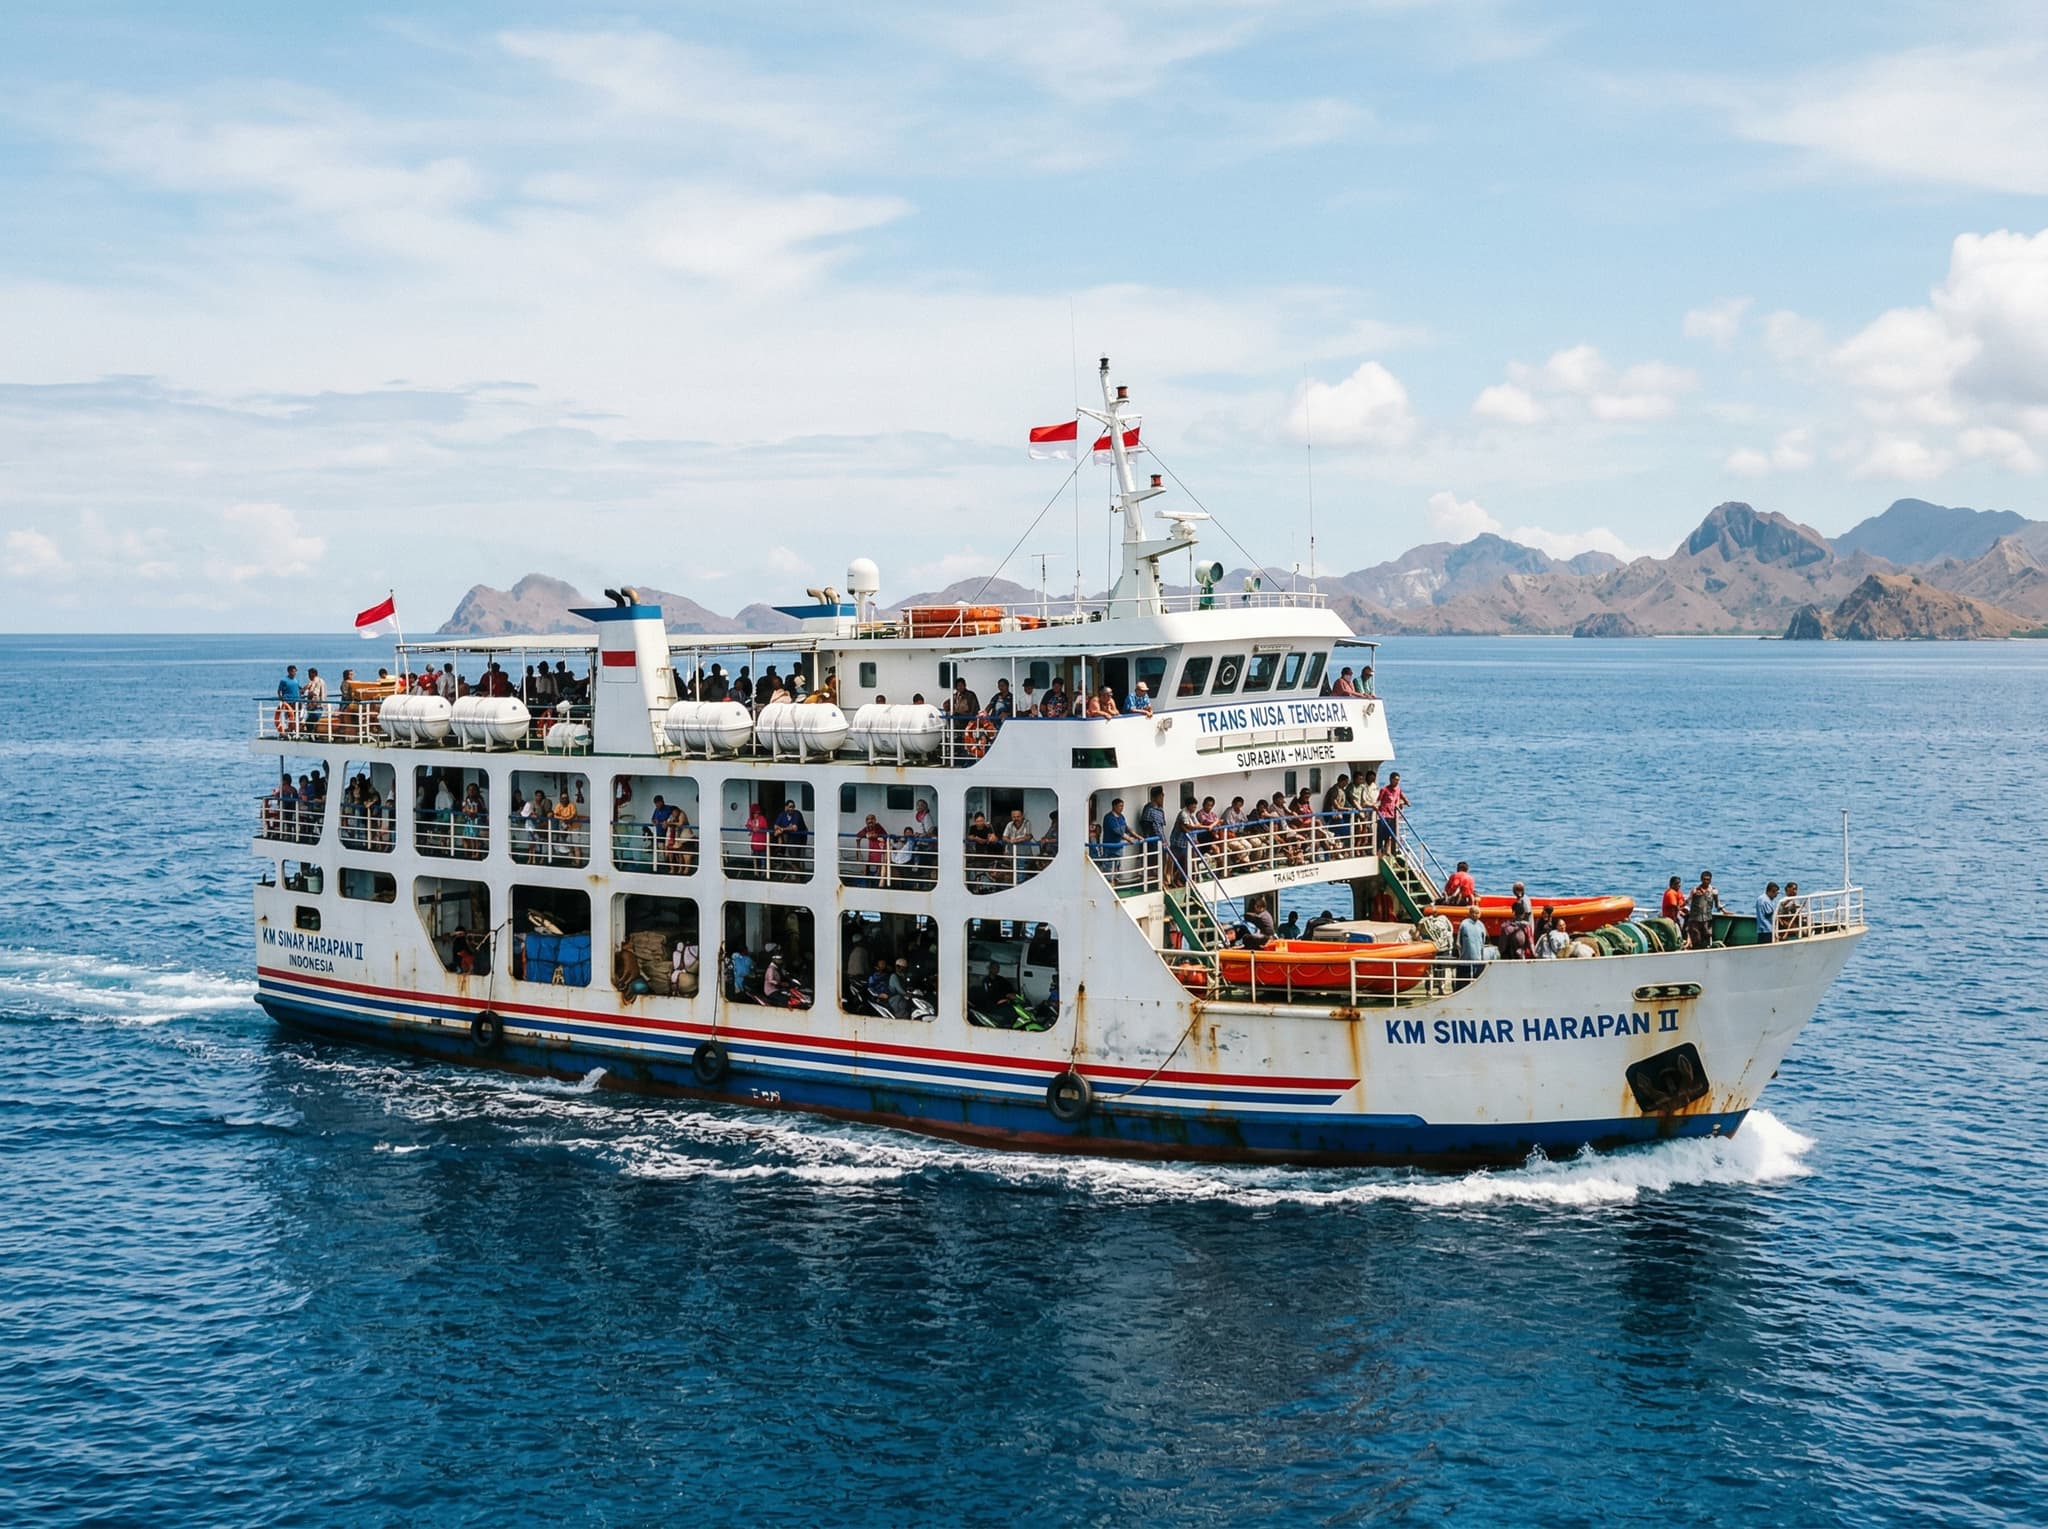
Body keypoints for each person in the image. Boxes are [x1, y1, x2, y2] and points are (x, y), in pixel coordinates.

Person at [1684, 871, 1724, 950]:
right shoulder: (1695, 890)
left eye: (1708, 879)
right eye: (1704, 879)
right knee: (1696, 938)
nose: (1706, 881)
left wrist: (1723, 909)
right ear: (1701, 879)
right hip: (1695, 919)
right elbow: (1687, 901)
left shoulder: (1713, 891)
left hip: (1706, 919)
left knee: (1707, 936)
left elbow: (1717, 905)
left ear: (1710, 880)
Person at [1000, 808, 1035, 883]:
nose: (1016, 819)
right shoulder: (1009, 824)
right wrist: (1009, 841)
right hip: (1012, 853)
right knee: (1013, 873)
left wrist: (1017, 840)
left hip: (1024, 853)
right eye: (1014, 817)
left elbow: (1029, 836)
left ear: (1022, 816)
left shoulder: (1027, 823)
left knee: (1022, 874)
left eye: (1018, 816)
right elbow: (1004, 837)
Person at [854, 813, 889, 886]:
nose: (870, 821)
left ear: (875, 820)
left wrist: (877, 835)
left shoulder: (878, 826)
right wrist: (866, 835)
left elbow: (885, 835)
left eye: (872, 819)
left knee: (879, 869)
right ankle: (869, 883)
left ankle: (879, 885)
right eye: (868, 820)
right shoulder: (866, 829)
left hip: (880, 852)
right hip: (872, 853)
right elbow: (858, 834)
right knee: (868, 869)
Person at [1376, 772, 1408, 850]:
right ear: (1391, 779)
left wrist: (1401, 803)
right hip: (1384, 814)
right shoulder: (1384, 790)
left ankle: (1388, 850)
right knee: (1381, 834)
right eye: (1395, 780)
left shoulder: (1398, 790)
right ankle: (1380, 849)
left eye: (1398, 780)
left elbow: (1406, 800)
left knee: (1390, 834)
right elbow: (1379, 801)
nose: (1397, 782)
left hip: (1392, 815)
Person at [1455, 904, 1487, 977]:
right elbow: (1458, 942)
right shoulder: (1464, 924)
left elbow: (1483, 943)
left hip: (1478, 959)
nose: (1475, 915)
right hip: (1464, 959)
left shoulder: (1481, 925)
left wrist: (1482, 958)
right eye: (1473, 912)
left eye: (1477, 913)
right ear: (1469, 913)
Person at [553, 791, 580, 863]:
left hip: (574, 827)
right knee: (569, 845)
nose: (564, 799)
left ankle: (578, 863)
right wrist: (563, 819)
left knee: (576, 845)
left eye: (566, 798)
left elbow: (574, 815)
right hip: (565, 827)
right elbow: (555, 814)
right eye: (563, 798)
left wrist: (567, 820)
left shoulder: (572, 805)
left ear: (568, 799)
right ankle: (572, 861)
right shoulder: (558, 805)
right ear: (560, 799)